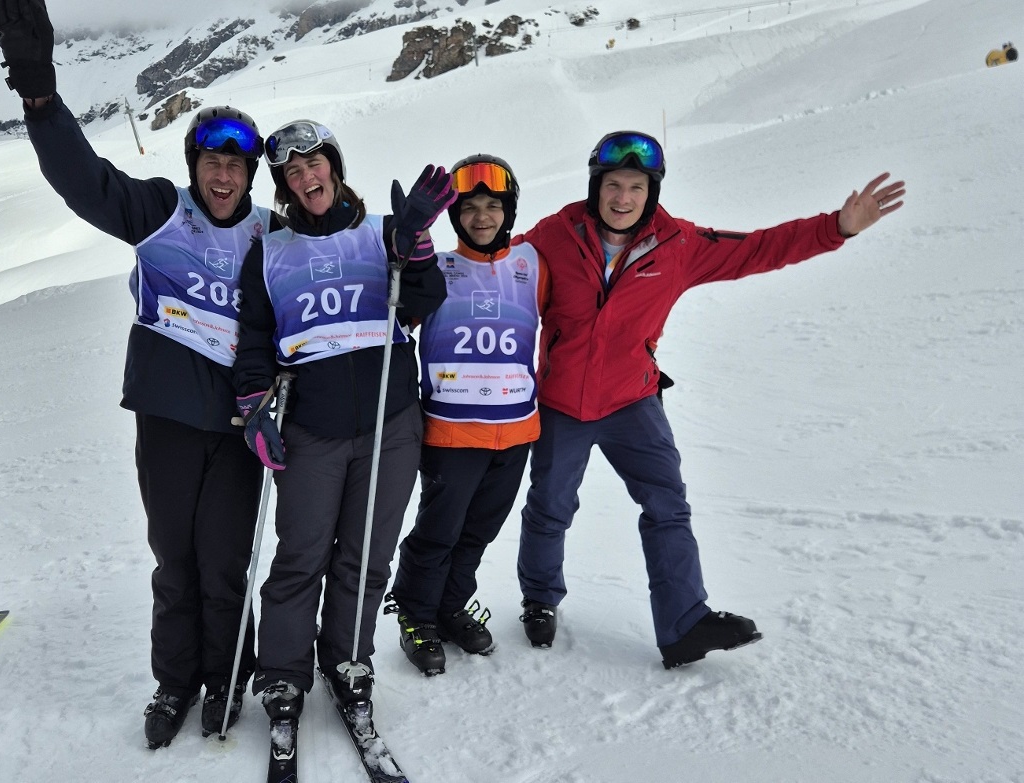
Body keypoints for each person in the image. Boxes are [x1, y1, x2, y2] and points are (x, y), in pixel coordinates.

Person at [0, 0, 277, 747]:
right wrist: (41, 99)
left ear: (249, 173)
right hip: (170, 420)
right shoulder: (159, 212)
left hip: (243, 428)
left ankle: (226, 675)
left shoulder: (271, 236)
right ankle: (175, 680)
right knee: (175, 562)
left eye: (235, 165)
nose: (223, 176)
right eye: (212, 163)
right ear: (194, 168)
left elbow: (334, 269)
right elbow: (83, 181)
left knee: (225, 564)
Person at [516, 130, 905, 668]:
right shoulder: (553, 236)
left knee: (667, 506)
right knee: (550, 506)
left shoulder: (678, 244)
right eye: (613, 185)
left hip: (632, 400)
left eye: (635, 187)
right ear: (595, 187)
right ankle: (539, 599)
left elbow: (757, 249)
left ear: (651, 192)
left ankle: (683, 626)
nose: (623, 198)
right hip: (563, 402)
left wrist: (835, 228)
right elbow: (492, 272)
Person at [232, 119, 452, 720]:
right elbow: (253, 338)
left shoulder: (381, 234)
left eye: (314, 163)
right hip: (311, 429)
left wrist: (414, 241)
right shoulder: (270, 252)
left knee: (367, 554)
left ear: (334, 166)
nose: (307, 177)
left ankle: (349, 658)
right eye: (292, 171)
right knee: (301, 555)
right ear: (284, 186)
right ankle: (283, 673)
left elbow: (422, 300)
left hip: (390, 421)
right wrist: (254, 408)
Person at [385, 155, 546, 675]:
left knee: (479, 532)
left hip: (515, 430)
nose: (481, 216)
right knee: (439, 531)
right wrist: (410, 239)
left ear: (508, 211)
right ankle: (416, 615)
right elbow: (397, 309)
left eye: (492, 206)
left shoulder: (531, 265)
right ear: (455, 215)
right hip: (452, 432)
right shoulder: (438, 269)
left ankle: (450, 607)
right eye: (471, 207)